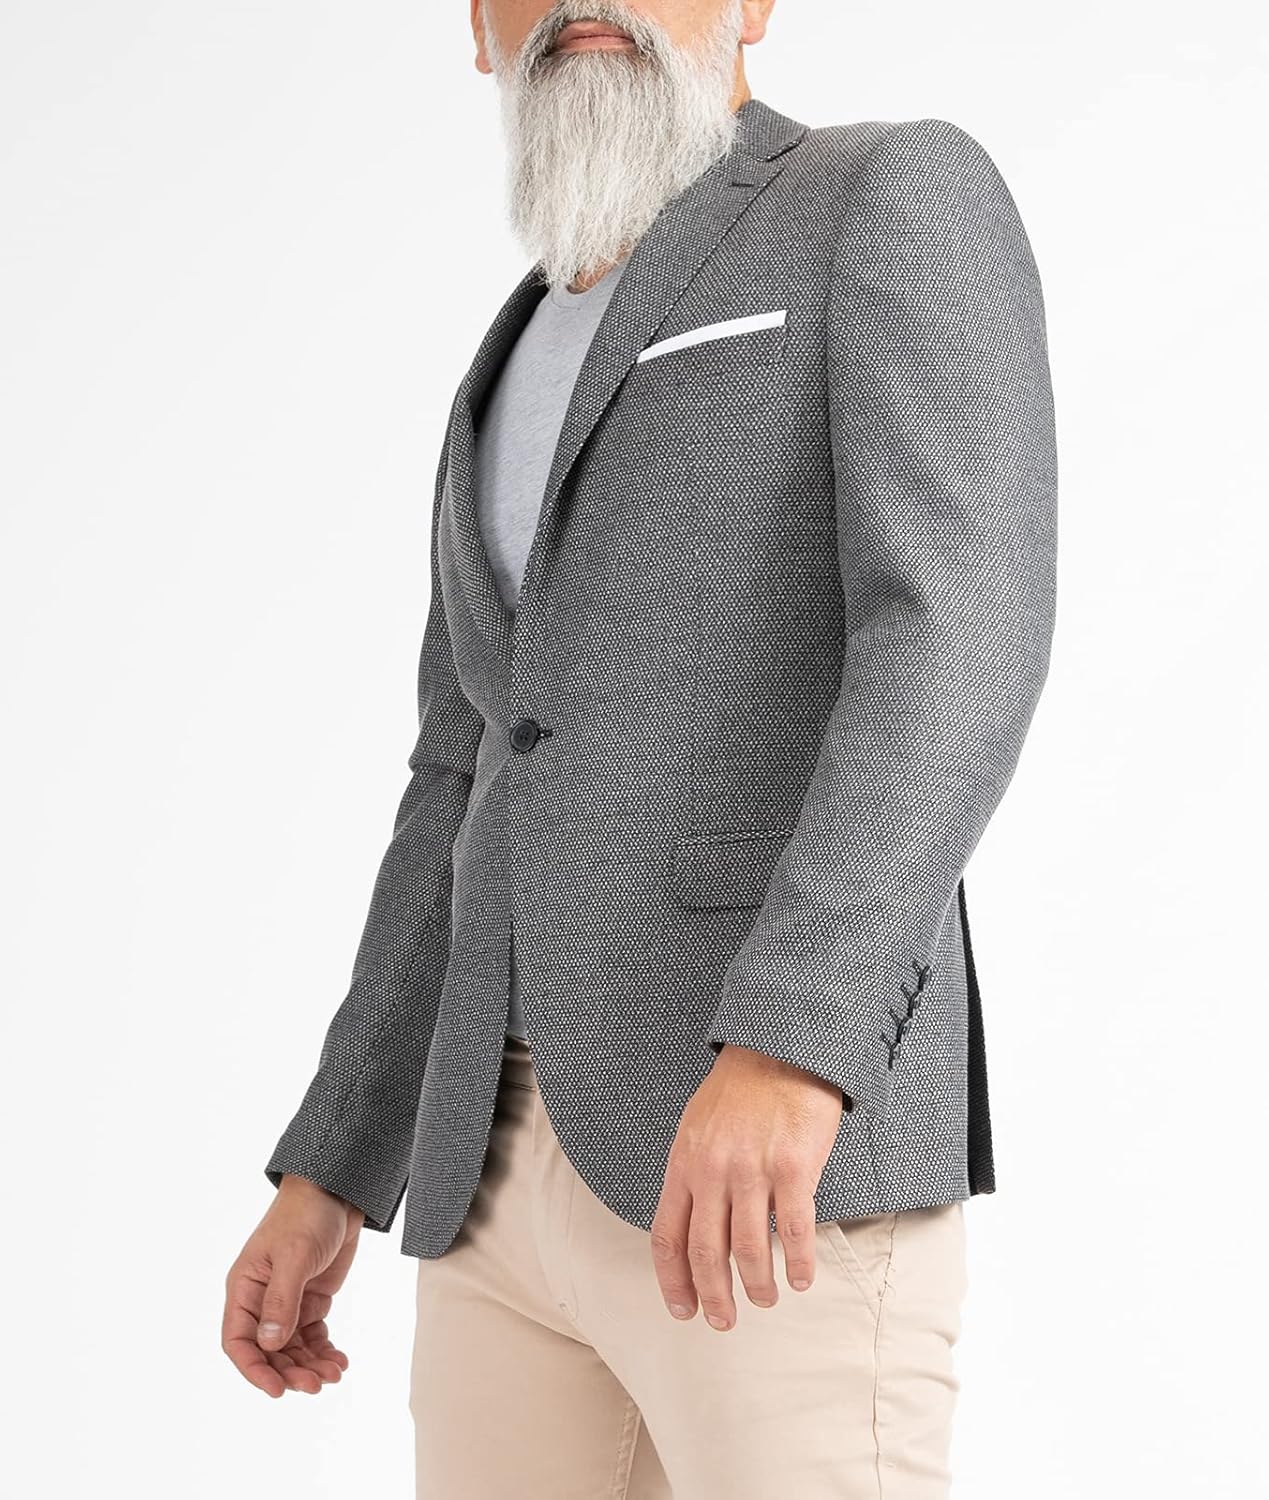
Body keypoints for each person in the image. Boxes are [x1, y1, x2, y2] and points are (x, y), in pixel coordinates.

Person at [222, 2, 1058, 1495]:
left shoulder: (883, 192)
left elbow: (955, 636)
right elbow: (464, 767)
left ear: (755, 5)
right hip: (490, 1178)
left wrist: (792, 1045)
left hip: (766, 1155)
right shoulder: (515, 338)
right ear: (478, 30)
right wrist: (335, 1159)